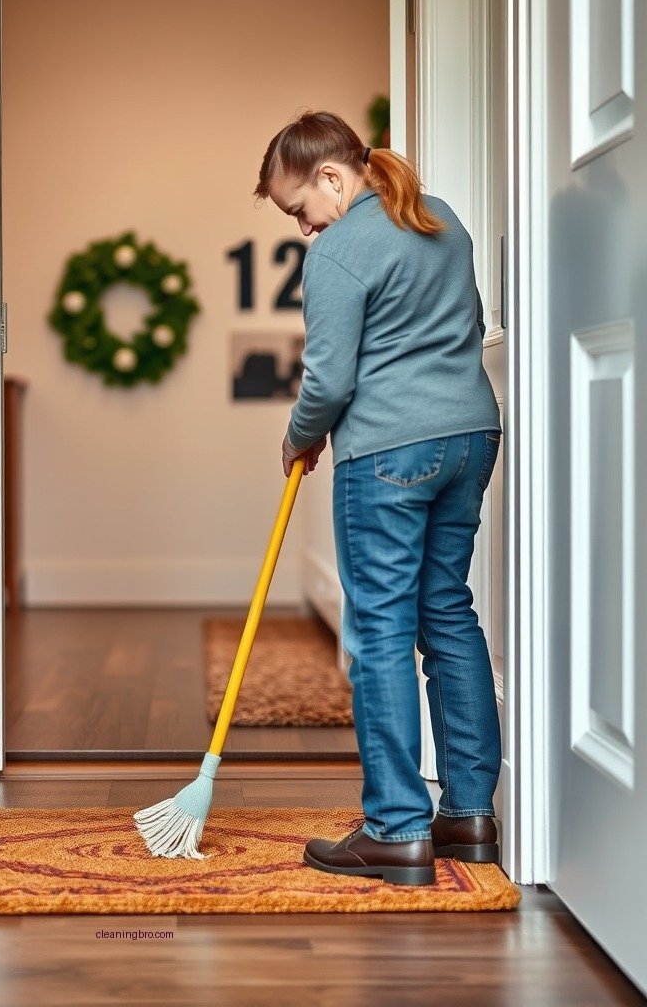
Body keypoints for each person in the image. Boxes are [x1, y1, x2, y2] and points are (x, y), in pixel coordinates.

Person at [254, 110, 503, 886]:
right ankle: (467, 815)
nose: (303, 227)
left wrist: (300, 436)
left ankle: (395, 828)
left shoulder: (340, 253)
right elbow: (475, 324)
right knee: (446, 611)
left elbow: (328, 380)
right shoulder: (442, 220)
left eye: (300, 209)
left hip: (389, 454)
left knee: (383, 630)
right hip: (469, 437)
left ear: (333, 176)